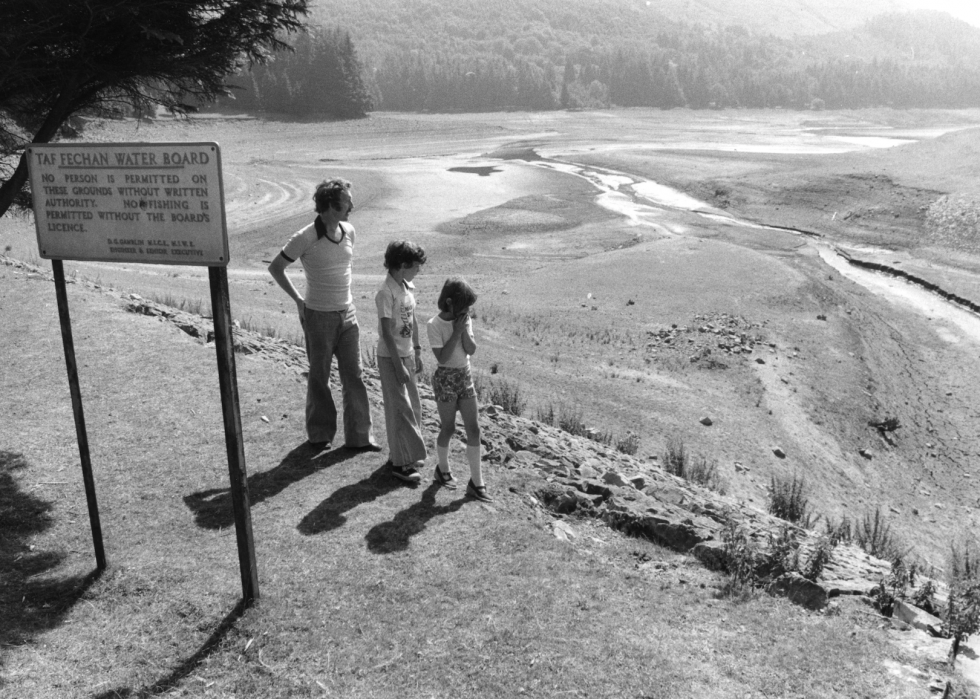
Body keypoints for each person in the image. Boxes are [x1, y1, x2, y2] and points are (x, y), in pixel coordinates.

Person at [267, 178, 380, 454]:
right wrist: (298, 300)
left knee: (354, 375)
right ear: (330, 205)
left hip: (348, 314)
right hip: (318, 316)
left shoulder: (349, 231)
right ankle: (320, 435)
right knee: (320, 375)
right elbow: (276, 268)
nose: (352, 205)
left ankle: (360, 437)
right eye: (347, 201)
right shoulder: (305, 237)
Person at [426, 277, 492, 502]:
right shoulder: (433, 324)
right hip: (445, 378)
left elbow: (471, 350)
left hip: (465, 376)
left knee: (474, 430)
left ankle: (477, 483)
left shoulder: (465, 320)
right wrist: (455, 332)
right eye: (463, 307)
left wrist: (463, 329)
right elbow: (442, 358)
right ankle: (442, 470)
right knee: (449, 428)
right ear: (450, 303)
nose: (467, 312)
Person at [375, 240, 428, 483]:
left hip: (406, 354)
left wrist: (417, 350)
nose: (419, 270)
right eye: (416, 265)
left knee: (413, 406)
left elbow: (413, 319)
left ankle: (404, 454)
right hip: (391, 358)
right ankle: (401, 465)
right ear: (403, 265)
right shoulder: (385, 293)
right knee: (400, 409)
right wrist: (398, 366)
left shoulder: (407, 288)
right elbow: (387, 333)